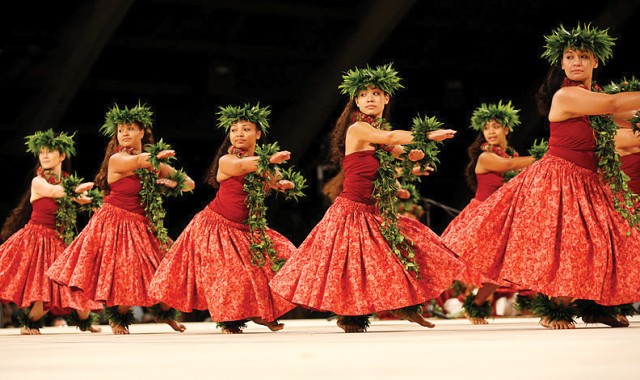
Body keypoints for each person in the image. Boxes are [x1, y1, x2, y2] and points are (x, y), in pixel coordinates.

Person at [442, 23, 640, 329]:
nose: (576, 62)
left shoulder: (593, 95)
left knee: (601, 241)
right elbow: (614, 105)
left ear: (595, 62)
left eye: (583, 56)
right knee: (567, 244)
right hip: (560, 179)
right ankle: (554, 308)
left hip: (588, 180)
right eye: (570, 56)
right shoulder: (566, 95)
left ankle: (592, 304)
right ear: (561, 63)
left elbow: (627, 116)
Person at [270, 63, 465, 333]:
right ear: (356, 102)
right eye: (363, 95)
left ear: (387, 98)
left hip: (376, 211)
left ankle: (408, 307)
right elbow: (391, 137)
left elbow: (398, 151)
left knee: (412, 247)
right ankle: (352, 317)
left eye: (375, 93)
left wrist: (414, 158)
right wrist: (426, 135)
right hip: (351, 211)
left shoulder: (377, 132)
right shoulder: (359, 129)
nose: (369, 98)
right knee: (351, 267)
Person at [149, 103, 302, 334]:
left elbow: (274, 180)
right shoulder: (227, 161)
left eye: (246, 129)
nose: (239, 133)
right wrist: (268, 161)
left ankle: (262, 313)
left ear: (258, 134)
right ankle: (229, 321)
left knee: (284, 257)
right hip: (216, 226)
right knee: (231, 277)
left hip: (248, 229)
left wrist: (283, 184)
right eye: (234, 129)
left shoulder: (265, 164)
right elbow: (244, 166)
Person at [47, 102, 195, 335]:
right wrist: (156, 158)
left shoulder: (151, 159)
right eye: (120, 130)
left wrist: (172, 183)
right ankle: (117, 318)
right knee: (121, 271)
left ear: (142, 131)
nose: (124, 133)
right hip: (115, 220)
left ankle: (165, 314)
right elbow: (139, 162)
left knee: (161, 266)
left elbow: (189, 183)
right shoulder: (117, 159)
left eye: (130, 129)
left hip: (143, 222)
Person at [441, 101, 536, 324]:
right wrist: (547, 157)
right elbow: (507, 166)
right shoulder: (486, 157)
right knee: (475, 265)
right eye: (486, 128)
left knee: (501, 268)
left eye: (495, 126)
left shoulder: (513, 155)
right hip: (482, 217)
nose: (490, 132)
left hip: (504, 219)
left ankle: (476, 304)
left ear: (506, 129)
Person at [0, 129, 102, 335]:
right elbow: (55, 192)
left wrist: (94, 203)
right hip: (36, 239)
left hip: (59, 240)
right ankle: (29, 322)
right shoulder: (38, 181)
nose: (44, 156)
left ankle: (85, 321)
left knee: (76, 282)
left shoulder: (66, 182)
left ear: (62, 155)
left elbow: (78, 199)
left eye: (49, 151)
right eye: (41, 152)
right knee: (44, 285)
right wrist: (76, 191)